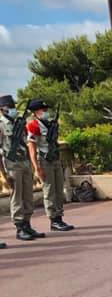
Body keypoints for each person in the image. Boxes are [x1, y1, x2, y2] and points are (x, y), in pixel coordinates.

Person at [25, 99, 73, 233]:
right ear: (35, 112)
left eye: (46, 110)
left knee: (59, 189)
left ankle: (59, 216)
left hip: (55, 159)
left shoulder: (50, 124)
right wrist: (36, 168)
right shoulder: (33, 125)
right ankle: (54, 220)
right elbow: (32, 148)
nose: (46, 112)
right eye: (43, 110)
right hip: (44, 160)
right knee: (49, 190)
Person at [0, 94, 39, 243]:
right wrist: (4, 175)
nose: (13, 109)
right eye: (9, 107)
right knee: (16, 197)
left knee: (28, 195)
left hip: (25, 163)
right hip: (12, 165)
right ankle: (20, 227)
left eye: (13, 107)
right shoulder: (1, 125)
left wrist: (32, 165)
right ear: (2, 109)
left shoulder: (20, 123)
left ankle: (27, 224)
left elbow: (27, 144)